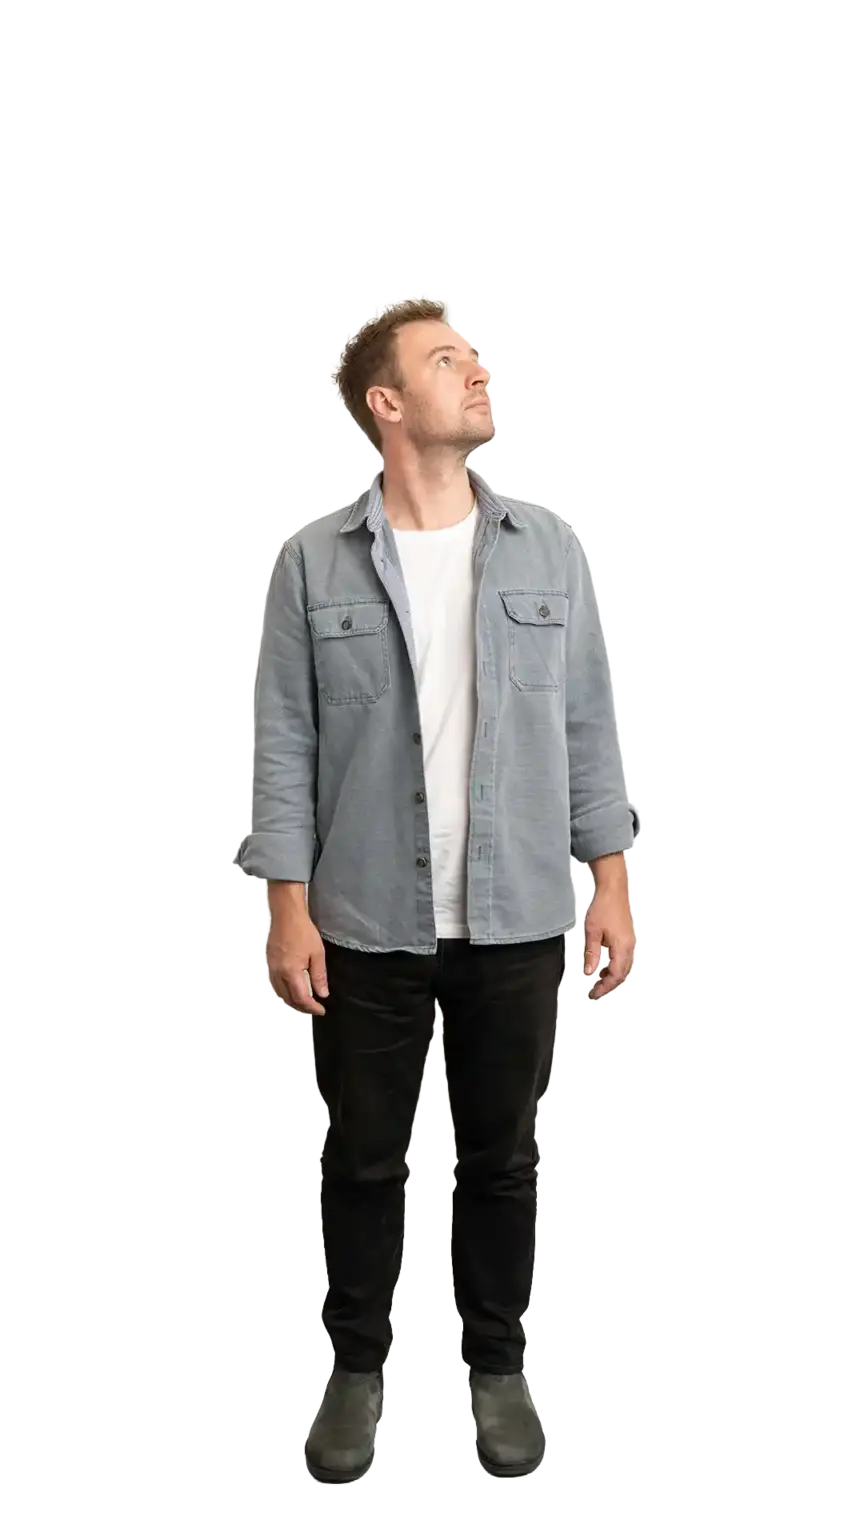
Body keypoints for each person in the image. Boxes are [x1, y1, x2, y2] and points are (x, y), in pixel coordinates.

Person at [235, 297, 640, 1483]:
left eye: (473, 355)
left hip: (518, 912)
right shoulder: (311, 561)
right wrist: (285, 905)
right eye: (447, 360)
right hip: (366, 918)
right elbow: (284, 743)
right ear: (387, 403)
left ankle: (499, 1371)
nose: (478, 372)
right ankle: (355, 1372)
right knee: (364, 1158)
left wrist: (612, 882)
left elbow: (589, 724)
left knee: (504, 1158)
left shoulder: (548, 545)